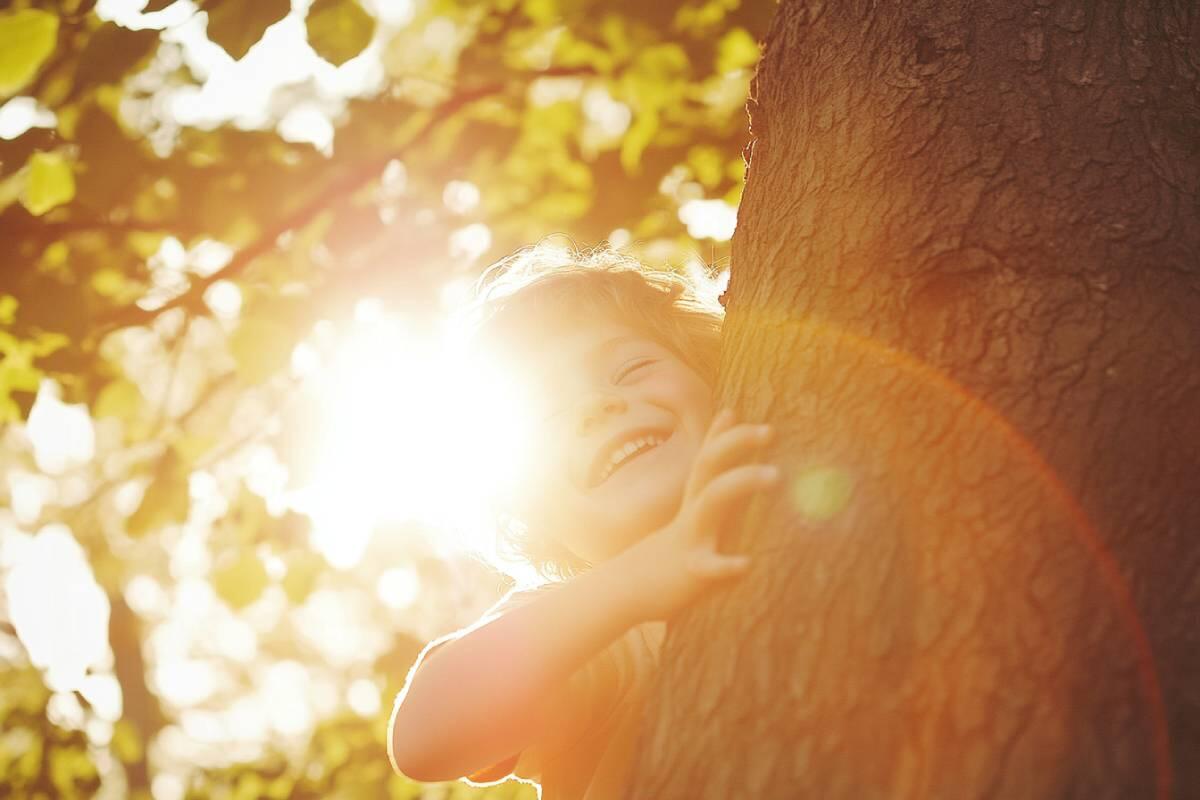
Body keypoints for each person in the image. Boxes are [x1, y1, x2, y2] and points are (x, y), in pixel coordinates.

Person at [387, 240, 781, 798]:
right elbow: (425, 738)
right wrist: (647, 575)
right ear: (540, 515)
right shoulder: (599, 633)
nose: (596, 406)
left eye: (632, 369)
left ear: (721, 381)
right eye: (548, 415)